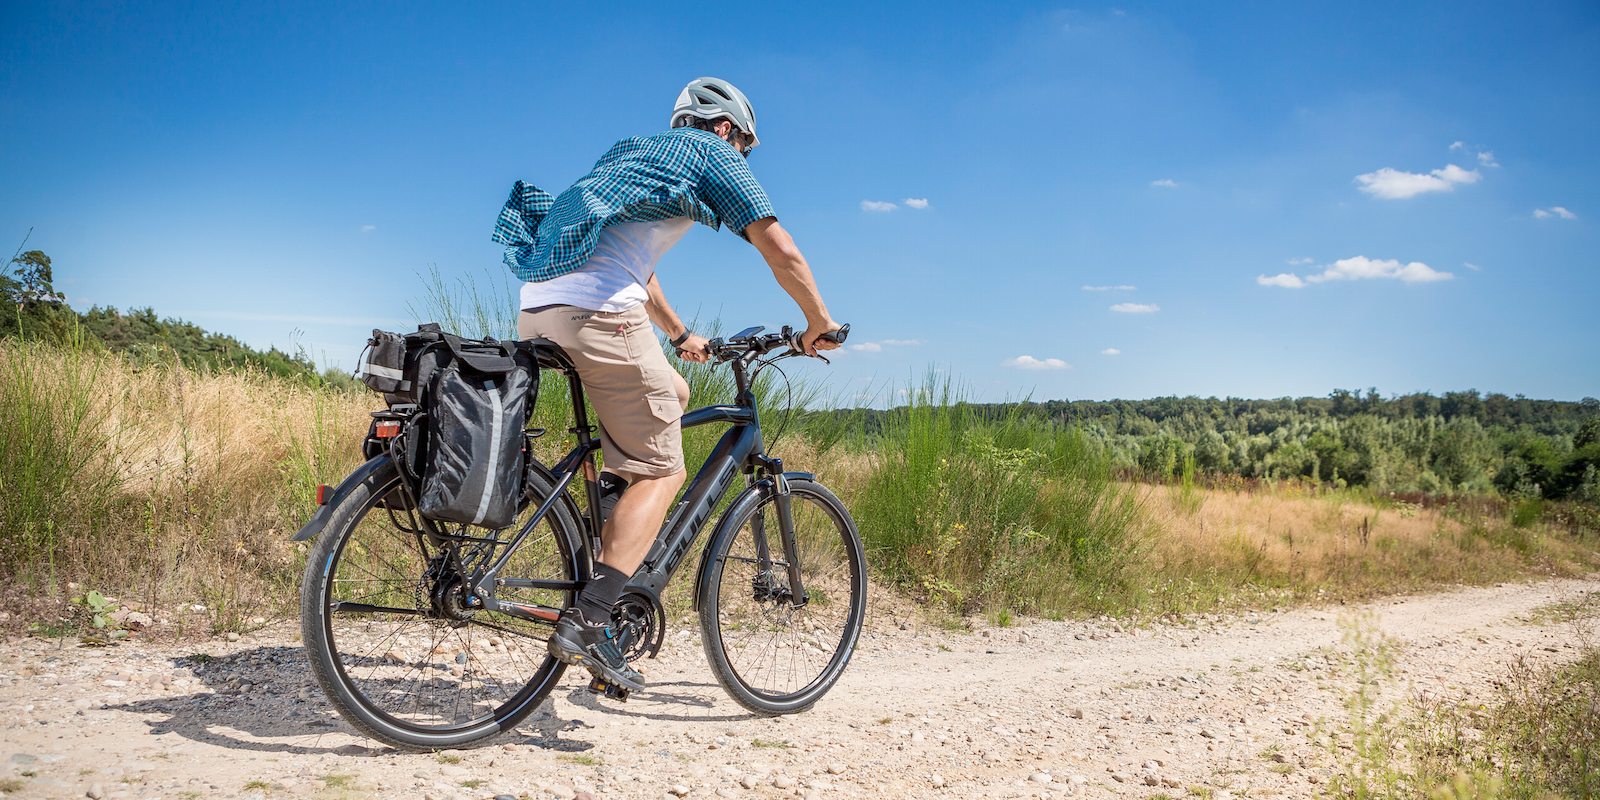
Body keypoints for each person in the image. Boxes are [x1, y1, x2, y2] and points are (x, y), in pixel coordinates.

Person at [491, 77, 843, 691]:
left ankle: (608, 530)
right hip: (597, 308)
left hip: (540, 306)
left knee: (673, 396)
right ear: (729, 131)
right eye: (746, 149)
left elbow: (635, 261)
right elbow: (778, 245)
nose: (743, 159)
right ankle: (592, 619)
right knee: (663, 469)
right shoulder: (711, 155)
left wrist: (680, 337)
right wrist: (820, 323)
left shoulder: (633, 151)